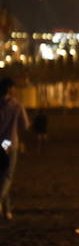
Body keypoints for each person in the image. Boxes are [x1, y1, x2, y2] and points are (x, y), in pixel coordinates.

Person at [0, 77, 30, 220]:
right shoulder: (17, 106)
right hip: (10, 143)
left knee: (1, 177)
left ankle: (6, 211)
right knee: (7, 175)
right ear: (11, 89)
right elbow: (25, 125)